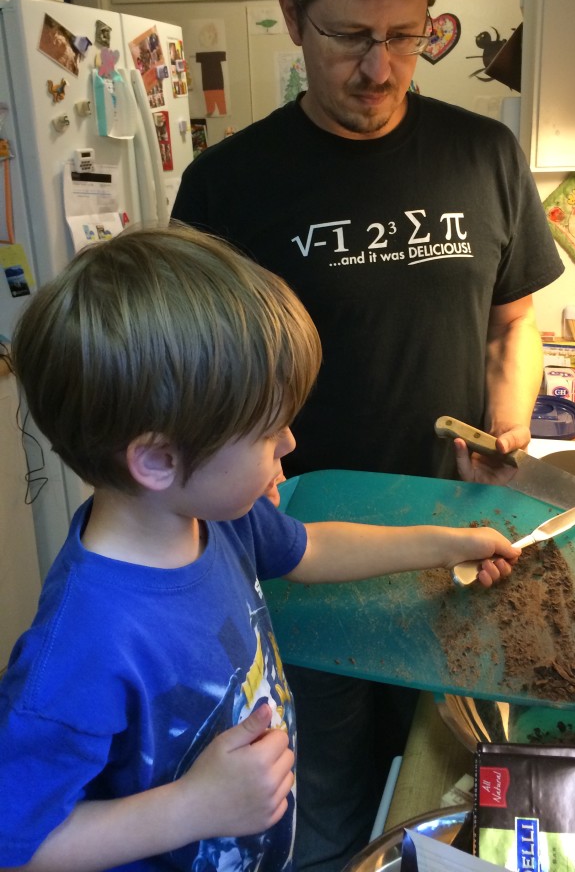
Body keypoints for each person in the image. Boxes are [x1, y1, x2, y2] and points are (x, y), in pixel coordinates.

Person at [171, 0, 564, 871]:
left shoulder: (485, 155)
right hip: (305, 564)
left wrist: (507, 425)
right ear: (291, 16)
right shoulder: (226, 184)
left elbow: (512, 324)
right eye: (350, 35)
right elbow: (194, 387)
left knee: (459, 789)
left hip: (463, 554)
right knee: (326, 813)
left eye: (406, 34)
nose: (381, 69)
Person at [0, 225, 520, 872]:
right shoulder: (83, 647)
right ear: (158, 459)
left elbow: (313, 550)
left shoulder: (213, 517)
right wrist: (195, 807)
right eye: (268, 432)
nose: (291, 444)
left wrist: (447, 543)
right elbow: (18, 843)